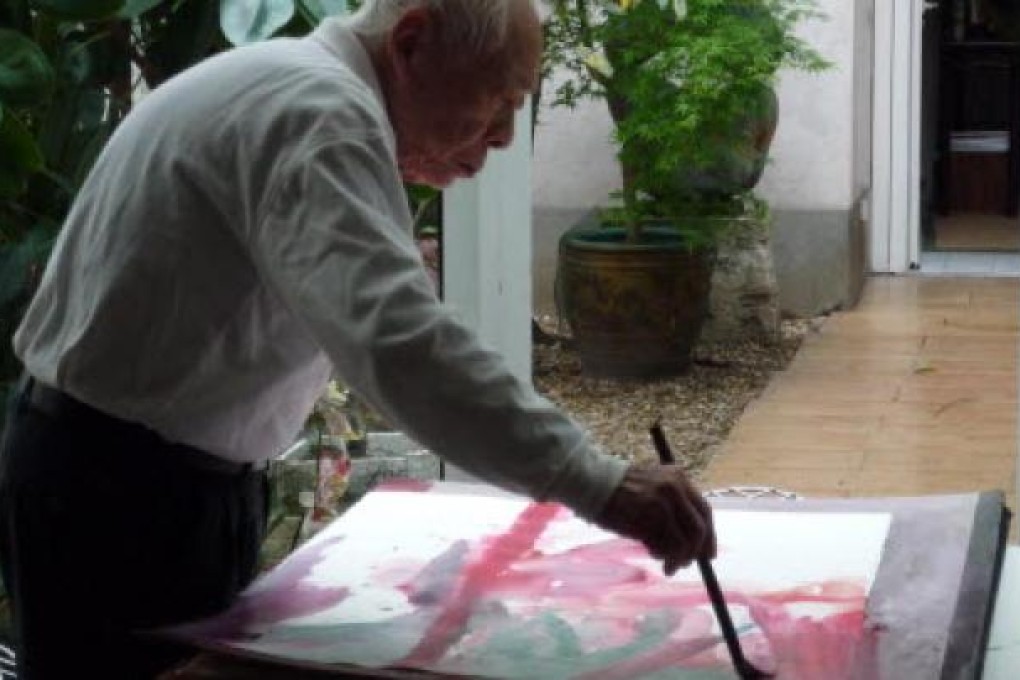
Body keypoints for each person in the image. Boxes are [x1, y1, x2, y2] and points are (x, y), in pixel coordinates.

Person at [0, 0, 716, 677]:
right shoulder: (318, 114)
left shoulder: (294, 86)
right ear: (411, 43)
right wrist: (600, 483)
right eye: (500, 100)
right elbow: (398, 341)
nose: (502, 136)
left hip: (134, 478)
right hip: (122, 499)